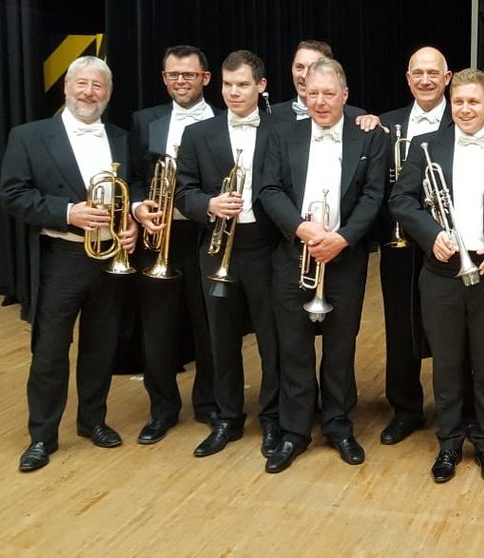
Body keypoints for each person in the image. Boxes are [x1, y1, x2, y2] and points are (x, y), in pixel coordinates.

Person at [0, 56, 138, 471]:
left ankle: (92, 421)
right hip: (61, 255)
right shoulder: (29, 136)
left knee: (101, 345)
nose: (88, 93)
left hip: (109, 254)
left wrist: (131, 219)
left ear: (108, 94)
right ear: (66, 87)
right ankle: (42, 436)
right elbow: (12, 194)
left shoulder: (121, 138)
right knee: (51, 350)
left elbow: (134, 187)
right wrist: (67, 212)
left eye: (98, 86)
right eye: (81, 84)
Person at [391, 68, 484, 483]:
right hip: (441, 270)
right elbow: (401, 200)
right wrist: (431, 234)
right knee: (447, 365)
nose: (465, 108)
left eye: (473, 101)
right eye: (459, 102)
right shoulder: (425, 145)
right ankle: (449, 443)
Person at [255, 58, 386, 473]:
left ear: (345, 96)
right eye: (312, 94)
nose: (320, 101)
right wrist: (302, 230)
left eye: (329, 94)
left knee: (340, 346)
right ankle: (295, 431)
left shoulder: (369, 138)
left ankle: (337, 423)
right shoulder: (281, 133)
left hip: (344, 257)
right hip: (295, 254)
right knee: (292, 346)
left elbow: (373, 195)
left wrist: (343, 238)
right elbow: (268, 188)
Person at [173, 50, 282, 458]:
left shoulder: (281, 130)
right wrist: (210, 205)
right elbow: (184, 192)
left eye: (242, 84)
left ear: (261, 86)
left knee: (272, 340)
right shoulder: (199, 134)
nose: (234, 92)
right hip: (218, 249)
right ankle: (227, 418)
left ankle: (272, 417)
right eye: (227, 85)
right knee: (220, 339)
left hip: (266, 248)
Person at [129, 44, 218, 443]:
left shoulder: (222, 117)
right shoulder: (144, 120)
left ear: (205, 78)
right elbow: (132, 175)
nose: (181, 82)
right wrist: (136, 207)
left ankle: (210, 404)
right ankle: (162, 409)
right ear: (164, 78)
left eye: (189, 75)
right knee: (158, 328)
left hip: (206, 234)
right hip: (159, 235)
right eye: (173, 76)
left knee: (210, 325)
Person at [372, 46, 455, 446]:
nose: (425, 80)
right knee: (400, 325)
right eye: (417, 73)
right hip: (400, 242)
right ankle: (405, 408)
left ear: (447, 77)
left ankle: (457, 409)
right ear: (408, 79)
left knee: (453, 327)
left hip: (451, 241)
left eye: (433, 73)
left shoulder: (465, 118)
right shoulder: (385, 125)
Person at [268, 40, 367, 122]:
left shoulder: (357, 117)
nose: (304, 75)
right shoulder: (273, 114)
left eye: (313, 68)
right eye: (299, 67)